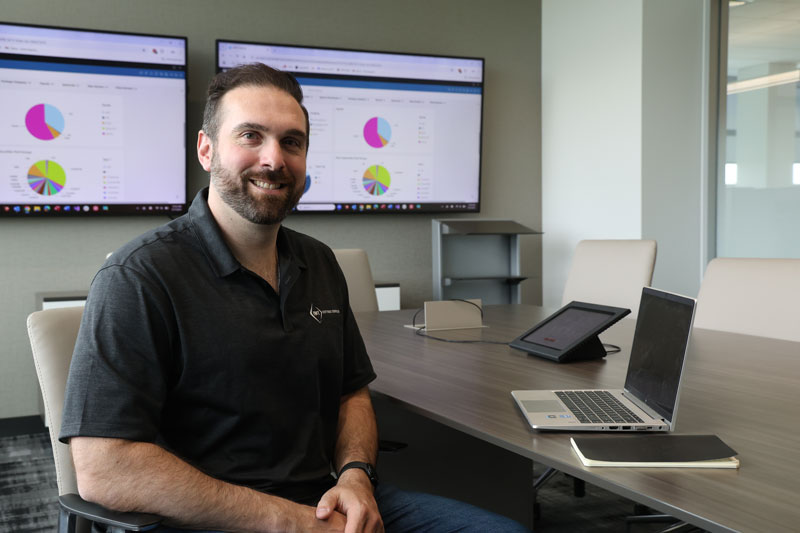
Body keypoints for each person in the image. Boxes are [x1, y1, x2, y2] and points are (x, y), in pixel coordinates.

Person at [60, 63, 528, 533]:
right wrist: (290, 521)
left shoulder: (319, 263)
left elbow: (352, 393)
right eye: (250, 136)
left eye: (292, 142)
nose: (274, 159)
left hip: (328, 504)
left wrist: (356, 477)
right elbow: (105, 467)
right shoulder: (139, 276)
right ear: (206, 150)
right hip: (214, 519)